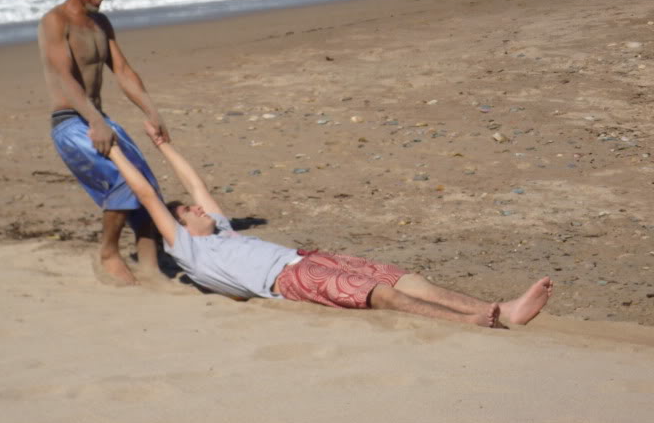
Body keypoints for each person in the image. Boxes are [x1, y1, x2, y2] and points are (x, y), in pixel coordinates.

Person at [106, 123, 554, 328]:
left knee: (402, 278)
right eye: (188, 213)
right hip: (286, 279)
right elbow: (148, 196)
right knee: (382, 296)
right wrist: (114, 154)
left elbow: (195, 183)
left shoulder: (221, 229)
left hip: (305, 259)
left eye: (194, 210)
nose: (199, 211)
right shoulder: (188, 249)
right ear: (177, 229)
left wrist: (164, 144)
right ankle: (471, 321)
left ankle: (501, 307)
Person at [38, 0, 169, 285]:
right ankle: (108, 252)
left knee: (148, 185)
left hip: (99, 119)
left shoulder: (100, 23)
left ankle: (151, 265)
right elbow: (65, 76)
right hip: (71, 122)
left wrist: (152, 111)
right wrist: (95, 121)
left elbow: (122, 70)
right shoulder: (55, 21)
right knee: (124, 182)